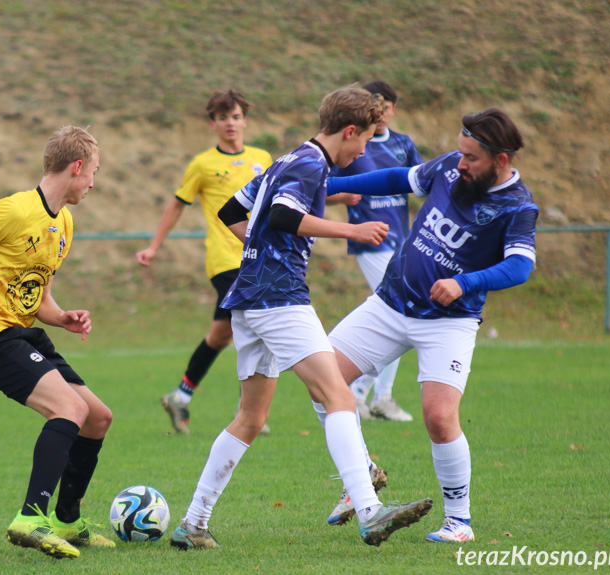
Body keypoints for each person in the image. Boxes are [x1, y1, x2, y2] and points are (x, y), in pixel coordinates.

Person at [169, 87, 433, 551]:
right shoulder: (311, 166)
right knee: (339, 397)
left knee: (250, 419)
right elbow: (285, 215)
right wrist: (349, 229)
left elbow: (232, 210)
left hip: (249, 298)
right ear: (348, 131)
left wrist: (258, 247)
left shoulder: (287, 160)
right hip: (278, 297)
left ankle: (194, 522)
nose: (364, 150)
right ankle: (370, 512)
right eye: (365, 140)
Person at [321, 108, 537, 542]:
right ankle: (362, 471)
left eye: (471, 158)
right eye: (460, 153)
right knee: (321, 379)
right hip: (390, 304)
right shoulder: (448, 168)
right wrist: (328, 185)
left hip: (449, 323)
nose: (460, 164)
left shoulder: (518, 207)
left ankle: (459, 522)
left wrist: (464, 283)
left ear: (500, 160)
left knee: (439, 418)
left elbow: (520, 266)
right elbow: (396, 179)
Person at [0, 126, 114, 560]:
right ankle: (31, 517)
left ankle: (67, 521)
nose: (93, 183)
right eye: (93, 173)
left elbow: (39, 297)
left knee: (98, 418)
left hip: (24, 332)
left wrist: (63, 318)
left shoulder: (64, 221)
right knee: (70, 408)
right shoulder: (13, 211)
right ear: (76, 167)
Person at [135, 89, 273, 435]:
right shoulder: (202, 164)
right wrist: (153, 246)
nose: (230, 123)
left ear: (246, 120)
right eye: (223, 117)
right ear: (212, 123)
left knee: (220, 333)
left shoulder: (262, 157)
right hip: (224, 259)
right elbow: (177, 204)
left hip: (260, 256)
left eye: (236, 116)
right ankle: (248, 410)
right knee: (254, 320)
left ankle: (180, 397)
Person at [327, 80, 424, 421]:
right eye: (375, 106)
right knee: (398, 311)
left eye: (386, 107)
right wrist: (342, 197)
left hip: (402, 239)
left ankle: (366, 395)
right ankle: (368, 394)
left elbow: (422, 186)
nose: (381, 113)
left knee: (397, 312)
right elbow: (321, 189)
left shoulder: (403, 144)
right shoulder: (353, 145)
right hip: (370, 240)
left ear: (394, 109)